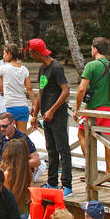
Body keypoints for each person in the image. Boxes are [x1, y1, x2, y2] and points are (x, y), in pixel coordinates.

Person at [29, 38, 71, 197]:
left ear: (36, 52)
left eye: (31, 52)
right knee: (51, 149)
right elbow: (41, 92)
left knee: (63, 150)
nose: (30, 55)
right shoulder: (42, 69)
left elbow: (65, 91)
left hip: (58, 116)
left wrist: (53, 110)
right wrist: (35, 115)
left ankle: (67, 184)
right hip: (46, 116)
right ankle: (52, 182)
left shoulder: (56, 67)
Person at [74, 37, 110, 174]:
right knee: (107, 140)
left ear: (95, 49)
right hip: (108, 108)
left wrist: (77, 109)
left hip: (93, 109)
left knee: (82, 135)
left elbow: (82, 89)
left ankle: (91, 169)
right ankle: (109, 172)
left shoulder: (91, 66)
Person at [0, 43, 33, 125]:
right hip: (23, 106)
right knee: (22, 135)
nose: (3, 56)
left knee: (7, 134)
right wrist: (34, 104)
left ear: (10, 54)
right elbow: (29, 88)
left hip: (9, 105)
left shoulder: (3, 69)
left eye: (4, 54)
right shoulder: (24, 69)